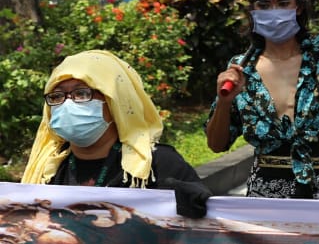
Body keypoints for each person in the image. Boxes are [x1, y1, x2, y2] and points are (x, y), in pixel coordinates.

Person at [206, 0, 319, 199]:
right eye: (264, 5)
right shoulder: (240, 69)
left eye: (283, 3)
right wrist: (224, 101)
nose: (274, 12)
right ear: (253, 12)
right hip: (266, 197)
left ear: (298, 8)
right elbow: (217, 145)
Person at [22, 50, 211, 218]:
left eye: (81, 93)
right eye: (57, 96)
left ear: (115, 102)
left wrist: (194, 204)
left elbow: (213, 230)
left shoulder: (158, 165)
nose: (67, 104)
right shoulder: (46, 172)